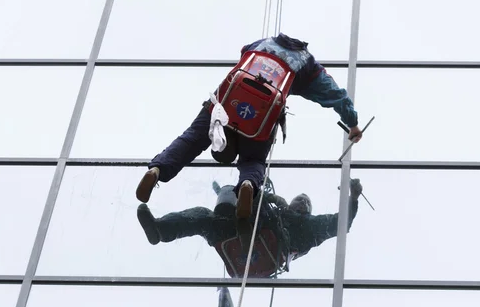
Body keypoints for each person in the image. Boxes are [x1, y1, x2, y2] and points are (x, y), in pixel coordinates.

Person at [135, 33, 363, 219]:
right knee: (253, 161)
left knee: (193, 138)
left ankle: (157, 170)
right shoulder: (308, 64)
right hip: (260, 119)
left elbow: (243, 53)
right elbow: (337, 96)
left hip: (223, 104)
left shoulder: (263, 43)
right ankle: (246, 183)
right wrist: (352, 124)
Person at [136, 178, 363, 278]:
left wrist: (353, 198)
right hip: (240, 236)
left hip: (264, 240)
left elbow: (342, 224)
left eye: (306, 202)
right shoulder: (279, 210)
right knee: (202, 216)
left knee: (254, 196)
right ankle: (160, 230)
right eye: (299, 199)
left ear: (308, 211)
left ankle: (241, 220)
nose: (302, 201)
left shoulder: (310, 228)